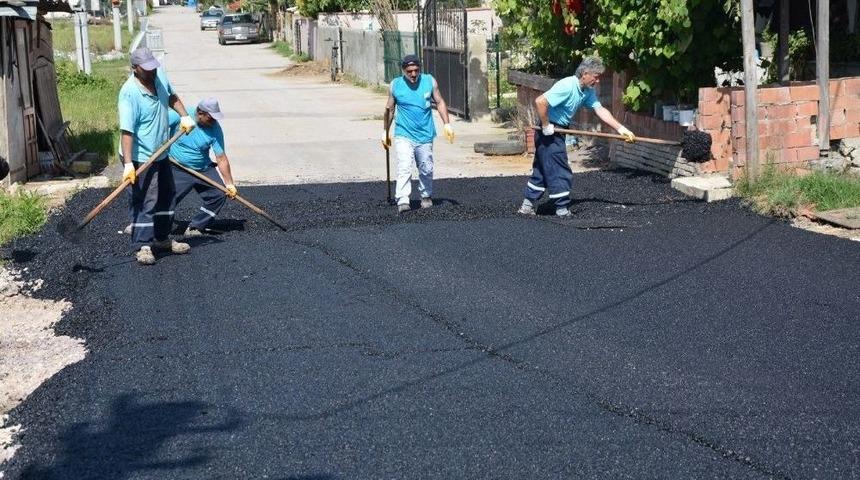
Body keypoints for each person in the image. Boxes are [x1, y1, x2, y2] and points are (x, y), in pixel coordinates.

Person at [517, 56, 635, 217]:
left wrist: (621, 129)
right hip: (550, 130)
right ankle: (562, 209)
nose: (598, 81)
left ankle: (526, 206)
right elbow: (540, 101)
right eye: (596, 76)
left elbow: (600, 110)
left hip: (558, 130)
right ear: (585, 73)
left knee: (543, 168)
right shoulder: (567, 85)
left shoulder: (587, 91)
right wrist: (546, 126)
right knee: (560, 167)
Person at [119, 47, 196, 265]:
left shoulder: (159, 76)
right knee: (146, 199)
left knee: (167, 195)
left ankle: (162, 239)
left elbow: (172, 97)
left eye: (153, 67)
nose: (152, 72)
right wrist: (127, 164)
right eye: (147, 69)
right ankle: (143, 246)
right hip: (140, 156)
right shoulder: (129, 93)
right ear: (135, 69)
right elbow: (127, 131)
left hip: (161, 151)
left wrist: (185, 116)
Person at [382, 54, 454, 213]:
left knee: (426, 167)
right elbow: (390, 109)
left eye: (416, 70)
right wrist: (385, 131)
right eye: (409, 71)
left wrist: (447, 124)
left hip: (425, 134)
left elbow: (440, 102)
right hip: (403, 133)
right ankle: (402, 199)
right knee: (404, 166)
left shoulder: (429, 81)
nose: (413, 74)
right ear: (403, 71)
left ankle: (426, 195)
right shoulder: (396, 85)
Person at [168, 97, 238, 236]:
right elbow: (156, 128)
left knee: (218, 195)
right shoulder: (182, 115)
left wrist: (229, 184)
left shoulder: (215, 128)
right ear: (200, 113)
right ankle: (152, 228)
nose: (213, 121)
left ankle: (196, 226)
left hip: (203, 168)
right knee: (167, 199)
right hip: (177, 166)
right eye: (210, 118)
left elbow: (221, 158)